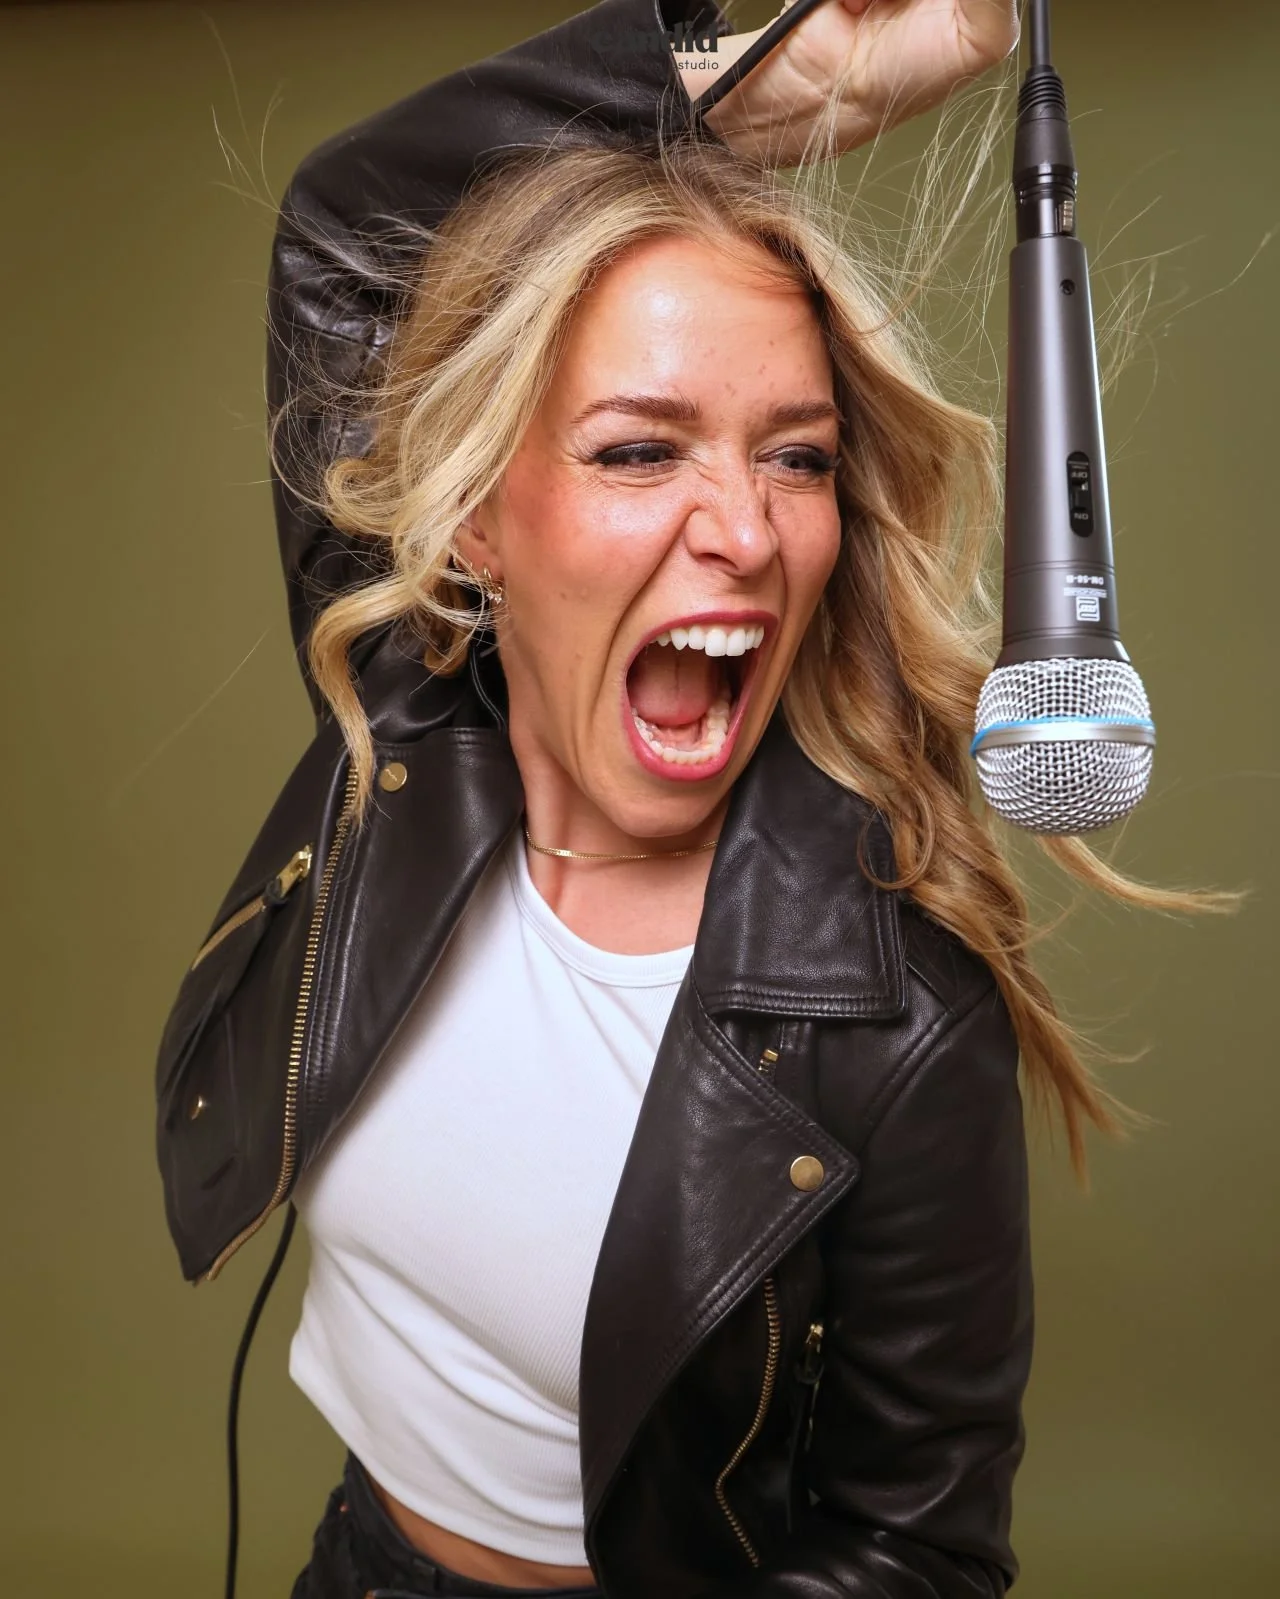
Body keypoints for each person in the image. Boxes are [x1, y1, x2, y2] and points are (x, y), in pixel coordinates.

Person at [153, 2, 1191, 1595]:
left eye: (795, 457)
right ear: (480, 521)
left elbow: (913, 1558)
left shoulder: (899, 1020)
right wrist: (754, 61)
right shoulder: (405, 725)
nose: (749, 531)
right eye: (642, 452)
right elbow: (351, 218)